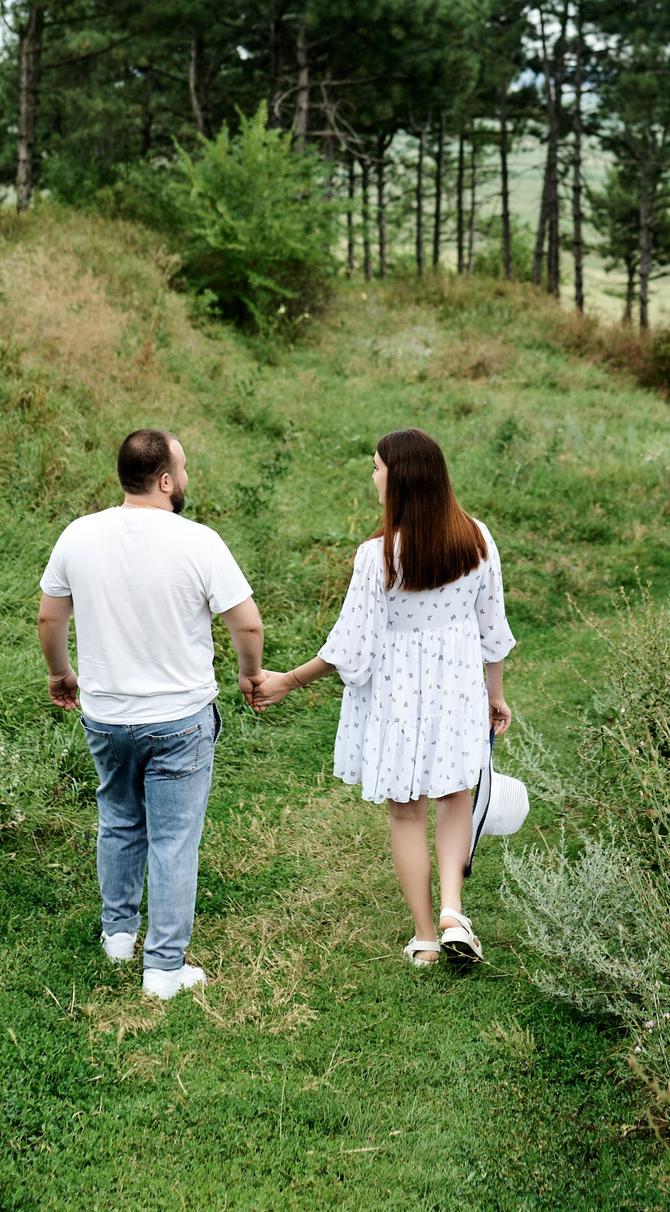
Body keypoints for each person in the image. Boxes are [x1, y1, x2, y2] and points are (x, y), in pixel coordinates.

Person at [251, 428, 514, 968]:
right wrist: (496, 695)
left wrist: (288, 680)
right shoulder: (477, 539)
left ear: (401, 479)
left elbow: (349, 645)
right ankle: (453, 910)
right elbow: (493, 630)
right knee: (456, 795)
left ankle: (426, 938)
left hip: (398, 695)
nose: (372, 476)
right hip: (457, 688)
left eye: (376, 467)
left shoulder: (377, 556)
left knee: (407, 813)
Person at [39, 429, 263, 1000]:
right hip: (179, 719)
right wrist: (249, 673)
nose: (186, 478)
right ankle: (163, 968)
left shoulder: (78, 535)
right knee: (173, 840)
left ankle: (118, 937)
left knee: (118, 820)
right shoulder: (199, 542)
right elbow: (247, 623)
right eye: (182, 469)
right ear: (165, 480)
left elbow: (50, 617)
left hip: (106, 716)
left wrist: (61, 673)